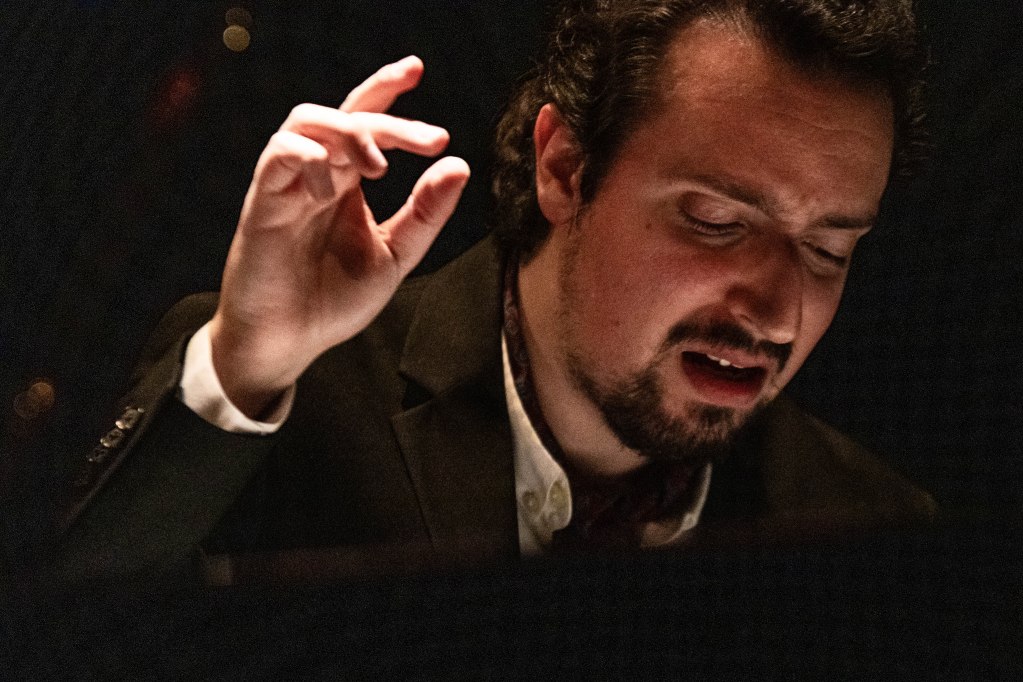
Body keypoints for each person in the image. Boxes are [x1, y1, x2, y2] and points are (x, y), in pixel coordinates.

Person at [55, 0, 936, 582]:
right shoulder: (287, 400)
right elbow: (67, 637)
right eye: (715, 220)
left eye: (828, 250)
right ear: (566, 167)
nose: (779, 312)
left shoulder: (868, 529)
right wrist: (241, 369)